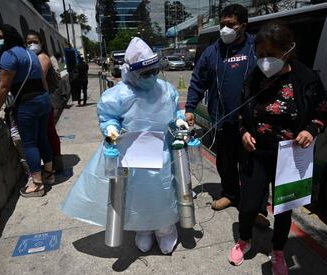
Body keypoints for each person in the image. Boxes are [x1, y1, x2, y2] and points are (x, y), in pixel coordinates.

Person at [62, 37, 188, 254]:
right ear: (131, 71)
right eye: (145, 73)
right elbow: (109, 117)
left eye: (154, 71)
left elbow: (174, 111)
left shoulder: (166, 90)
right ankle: (143, 229)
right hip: (132, 152)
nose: (151, 77)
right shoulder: (119, 94)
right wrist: (110, 130)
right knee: (136, 195)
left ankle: (165, 229)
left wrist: (179, 121)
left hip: (162, 151)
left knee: (163, 191)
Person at [229, 23, 327, 274]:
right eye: (260, 55)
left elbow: (323, 112)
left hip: (291, 155)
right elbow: (242, 113)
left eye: (271, 55)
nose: (265, 61)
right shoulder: (253, 77)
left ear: (287, 51)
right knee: (249, 204)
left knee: (284, 208)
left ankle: (278, 251)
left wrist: (311, 129)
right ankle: (244, 240)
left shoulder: (306, 79)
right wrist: (243, 133)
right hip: (256, 153)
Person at [185, 4, 269, 226]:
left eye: (230, 25)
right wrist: (190, 108)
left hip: (253, 123)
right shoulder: (213, 51)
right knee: (226, 162)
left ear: (243, 25)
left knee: (253, 167)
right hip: (223, 120)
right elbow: (198, 80)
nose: (224, 29)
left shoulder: (256, 47)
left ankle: (257, 208)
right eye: (222, 24)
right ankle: (230, 195)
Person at [0, 24, 54, 197]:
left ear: (8, 36)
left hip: (27, 104)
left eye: (0, 37)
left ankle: (37, 185)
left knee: (29, 143)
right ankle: (49, 174)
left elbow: (3, 86)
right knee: (42, 137)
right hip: (42, 100)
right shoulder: (30, 53)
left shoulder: (8, 56)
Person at [0, 25, 30, 178]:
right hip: (26, 102)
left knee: (20, 139)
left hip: (17, 104)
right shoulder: (24, 54)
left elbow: (0, 85)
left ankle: (33, 175)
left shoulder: (7, 57)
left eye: (0, 38)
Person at [25, 30, 63, 173]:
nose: (32, 44)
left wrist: (44, 98)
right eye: (29, 42)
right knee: (46, 132)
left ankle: (55, 163)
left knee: (48, 132)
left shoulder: (42, 57)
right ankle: (53, 163)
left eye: (35, 41)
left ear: (41, 43)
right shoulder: (32, 57)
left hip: (47, 99)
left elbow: (39, 78)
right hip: (44, 98)